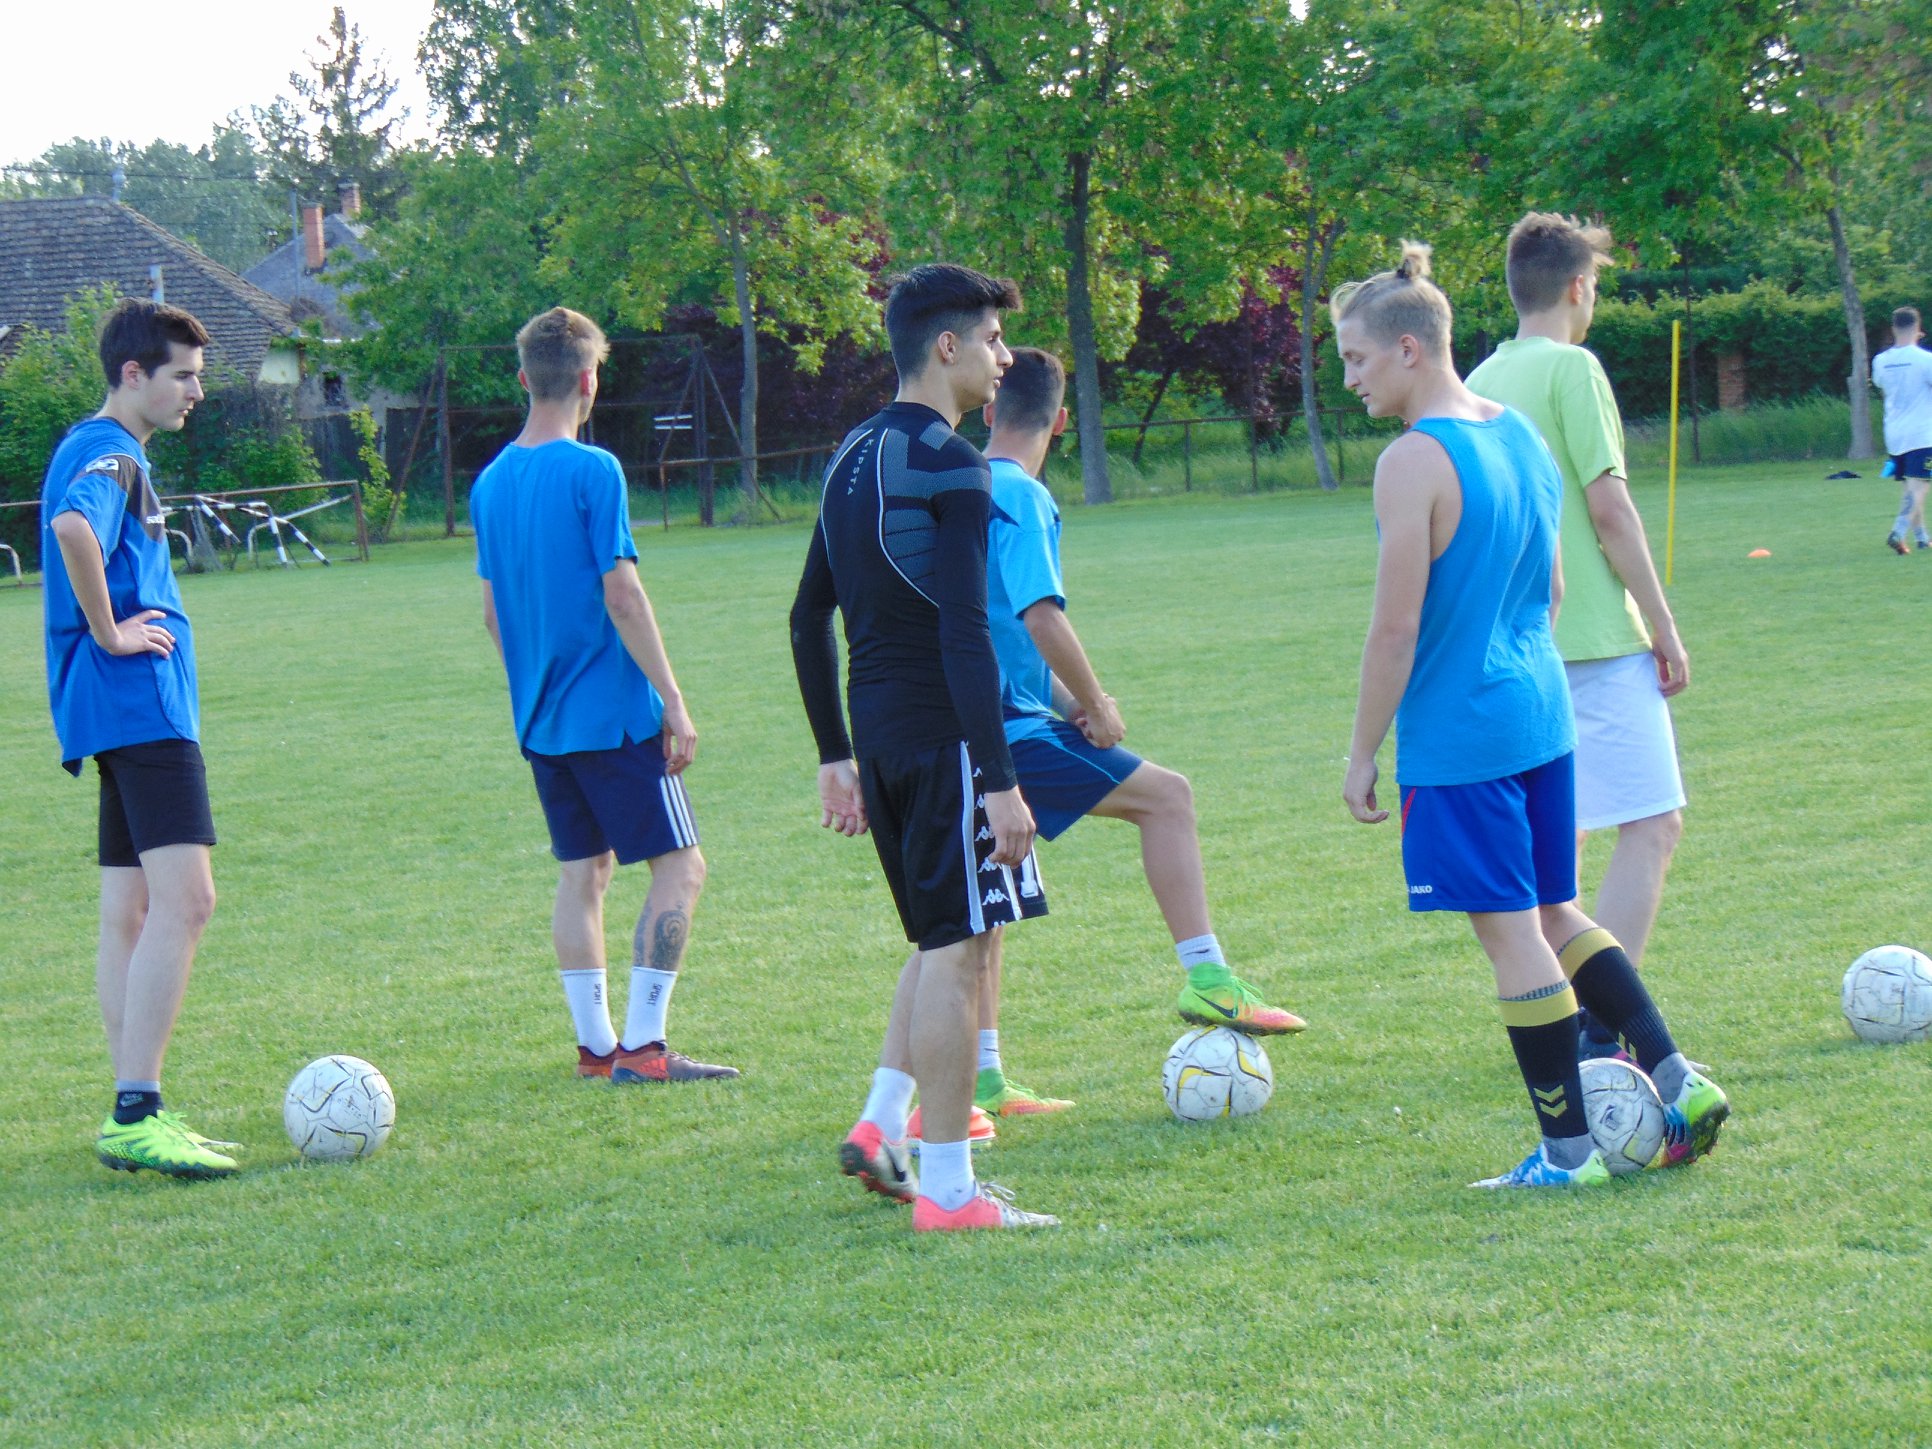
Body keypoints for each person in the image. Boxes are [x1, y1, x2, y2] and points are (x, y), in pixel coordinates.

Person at [1338, 243, 1728, 1187]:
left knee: (1511, 931)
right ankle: (1678, 1077)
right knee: (1557, 909)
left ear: (1408, 348)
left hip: (1463, 731)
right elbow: (1551, 588)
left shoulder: (1411, 461)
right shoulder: (1518, 432)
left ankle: (1566, 1154)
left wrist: (1362, 750)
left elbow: (1395, 630)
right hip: (1541, 710)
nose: (1348, 378)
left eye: (1355, 357)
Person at [952, 346, 1305, 1123]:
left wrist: (1064, 702)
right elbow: (1042, 617)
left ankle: (985, 1080)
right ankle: (1208, 977)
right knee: (1168, 798)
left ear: (990, 411)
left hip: (967, 723)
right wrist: (1096, 701)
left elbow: (998, 634)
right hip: (1003, 731)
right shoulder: (1022, 495)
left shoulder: (961, 484)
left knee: (988, 913)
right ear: (1062, 422)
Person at [790, 264, 1059, 1232]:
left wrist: (836, 753)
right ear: (946, 347)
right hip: (946, 743)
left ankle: (895, 1134)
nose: (1004, 357)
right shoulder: (953, 463)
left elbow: (806, 618)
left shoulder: (850, 455)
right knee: (953, 955)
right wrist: (1000, 780)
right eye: (991, 337)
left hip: (883, 740)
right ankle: (949, 1189)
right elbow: (964, 632)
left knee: (950, 940)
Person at [471, 307, 736, 1087]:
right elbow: (622, 594)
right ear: (590, 379)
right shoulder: (595, 470)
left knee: (582, 873)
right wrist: (673, 698)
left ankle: (596, 1049)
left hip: (542, 721)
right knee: (681, 867)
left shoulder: (489, 482)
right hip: (613, 717)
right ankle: (645, 1048)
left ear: (524, 378)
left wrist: (536, 683)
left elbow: (493, 613)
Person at [1465, 213, 1689, 1058]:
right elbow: (1609, 509)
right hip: (1595, 637)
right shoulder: (1574, 368)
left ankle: (1563, 1020)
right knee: (1654, 823)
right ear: (1578, 287)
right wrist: (1662, 623)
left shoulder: (1477, 377)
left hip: (1518, 645)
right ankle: (1604, 1026)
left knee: (1561, 845)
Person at [42, 298, 238, 1178]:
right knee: (187, 901)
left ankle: (134, 1099)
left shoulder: (94, 445)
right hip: (140, 706)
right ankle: (137, 1109)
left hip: (113, 712)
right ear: (134, 374)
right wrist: (113, 630)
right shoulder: (113, 452)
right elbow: (73, 529)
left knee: (127, 910)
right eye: (183, 376)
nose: (196, 392)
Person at [1874, 306, 1932, 554]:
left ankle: (1922, 538)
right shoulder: (1925, 360)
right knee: (1919, 486)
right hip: (1922, 433)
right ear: (1918, 329)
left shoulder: (1881, 361)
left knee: (1910, 487)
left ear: (1893, 329)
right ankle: (1898, 532)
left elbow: (1882, 386)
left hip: (1895, 434)